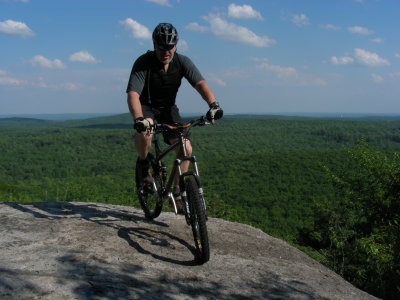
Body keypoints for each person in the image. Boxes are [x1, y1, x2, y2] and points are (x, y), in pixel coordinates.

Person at [126, 22, 223, 205]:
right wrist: (139, 119)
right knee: (145, 133)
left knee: (186, 147)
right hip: (146, 106)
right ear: (154, 45)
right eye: (162, 47)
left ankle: (177, 191)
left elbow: (200, 84)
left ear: (176, 45)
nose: (166, 51)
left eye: (170, 46)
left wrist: (213, 105)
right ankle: (143, 163)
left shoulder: (182, 62)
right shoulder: (143, 63)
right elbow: (133, 94)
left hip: (168, 108)